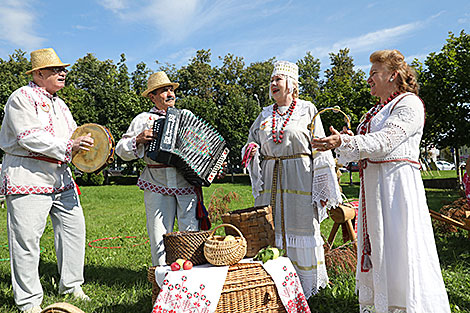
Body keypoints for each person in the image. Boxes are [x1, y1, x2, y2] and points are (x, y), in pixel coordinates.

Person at [312, 49, 451, 313]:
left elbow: (384, 142)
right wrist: (344, 140)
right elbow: (362, 149)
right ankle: (384, 304)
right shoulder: (378, 110)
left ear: (393, 75)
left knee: (400, 246)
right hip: (375, 190)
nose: (369, 79)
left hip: (396, 189)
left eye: (374, 73)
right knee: (379, 246)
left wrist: (344, 141)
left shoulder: (409, 104)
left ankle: (408, 305)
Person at [0, 48, 93, 313]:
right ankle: (29, 301)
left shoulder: (60, 104)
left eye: (63, 69)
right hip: (28, 176)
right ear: (39, 74)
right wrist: (70, 145)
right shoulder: (21, 97)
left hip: (60, 178)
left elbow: (75, 138)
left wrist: (91, 155)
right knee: (27, 241)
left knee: (74, 231)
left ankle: (72, 286)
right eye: (56, 69)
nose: (62, 73)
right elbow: (28, 137)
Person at [242, 61, 342, 298]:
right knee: (269, 228)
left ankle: (307, 288)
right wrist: (253, 149)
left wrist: (323, 186)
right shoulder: (264, 114)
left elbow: (320, 148)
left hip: (300, 178)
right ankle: (273, 286)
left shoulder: (307, 110)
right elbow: (250, 142)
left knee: (302, 227)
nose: (273, 84)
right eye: (271, 81)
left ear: (292, 85)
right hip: (271, 178)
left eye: (278, 79)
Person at [116, 71, 217, 267]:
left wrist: (207, 161)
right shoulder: (143, 119)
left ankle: (192, 274)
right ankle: (162, 278)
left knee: (191, 230)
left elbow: (204, 144)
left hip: (185, 180)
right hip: (156, 180)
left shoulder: (186, 116)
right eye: (163, 91)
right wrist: (137, 140)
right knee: (158, 233)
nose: (169, 93)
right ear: (152, 97)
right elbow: (121, 150)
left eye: (171, 89)